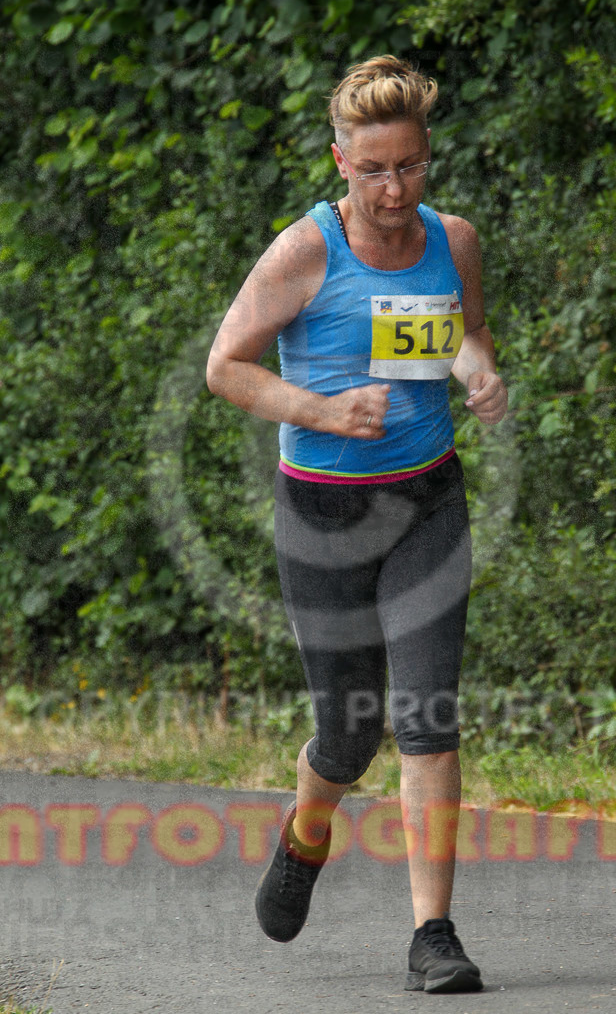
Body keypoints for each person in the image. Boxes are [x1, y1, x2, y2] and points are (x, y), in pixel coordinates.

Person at [206, 55, 507, 994]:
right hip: (322, 516)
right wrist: (322, 410)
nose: (393, 189)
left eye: (409, 165)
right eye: (373, 169)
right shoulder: (302, 252)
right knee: (349, 734)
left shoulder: (453, 240)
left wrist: (478, 375)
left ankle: (433, 937)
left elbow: (463, 331)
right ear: (340, 161)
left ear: (427, 155)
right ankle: (305, 837)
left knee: (426, 717)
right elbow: (225, 366)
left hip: (427, 502)